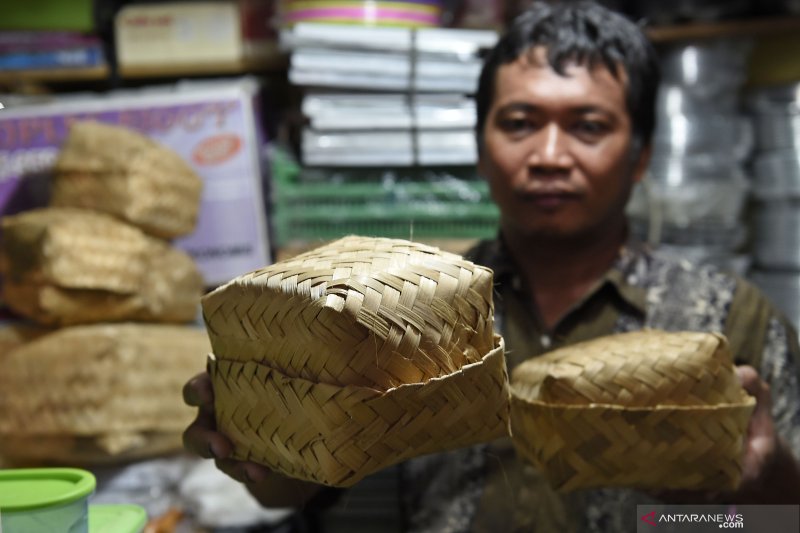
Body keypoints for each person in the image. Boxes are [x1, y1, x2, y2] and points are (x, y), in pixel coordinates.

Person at [183, 2, 800, 531]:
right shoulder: (393, 318)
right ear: (480, 148)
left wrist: (741, 495)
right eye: (520, 124)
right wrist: (258, 451)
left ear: (640, 158)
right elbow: (309, 490)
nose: (550, 156)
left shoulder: (727, 322)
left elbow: (777, 521)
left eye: (588, 126)